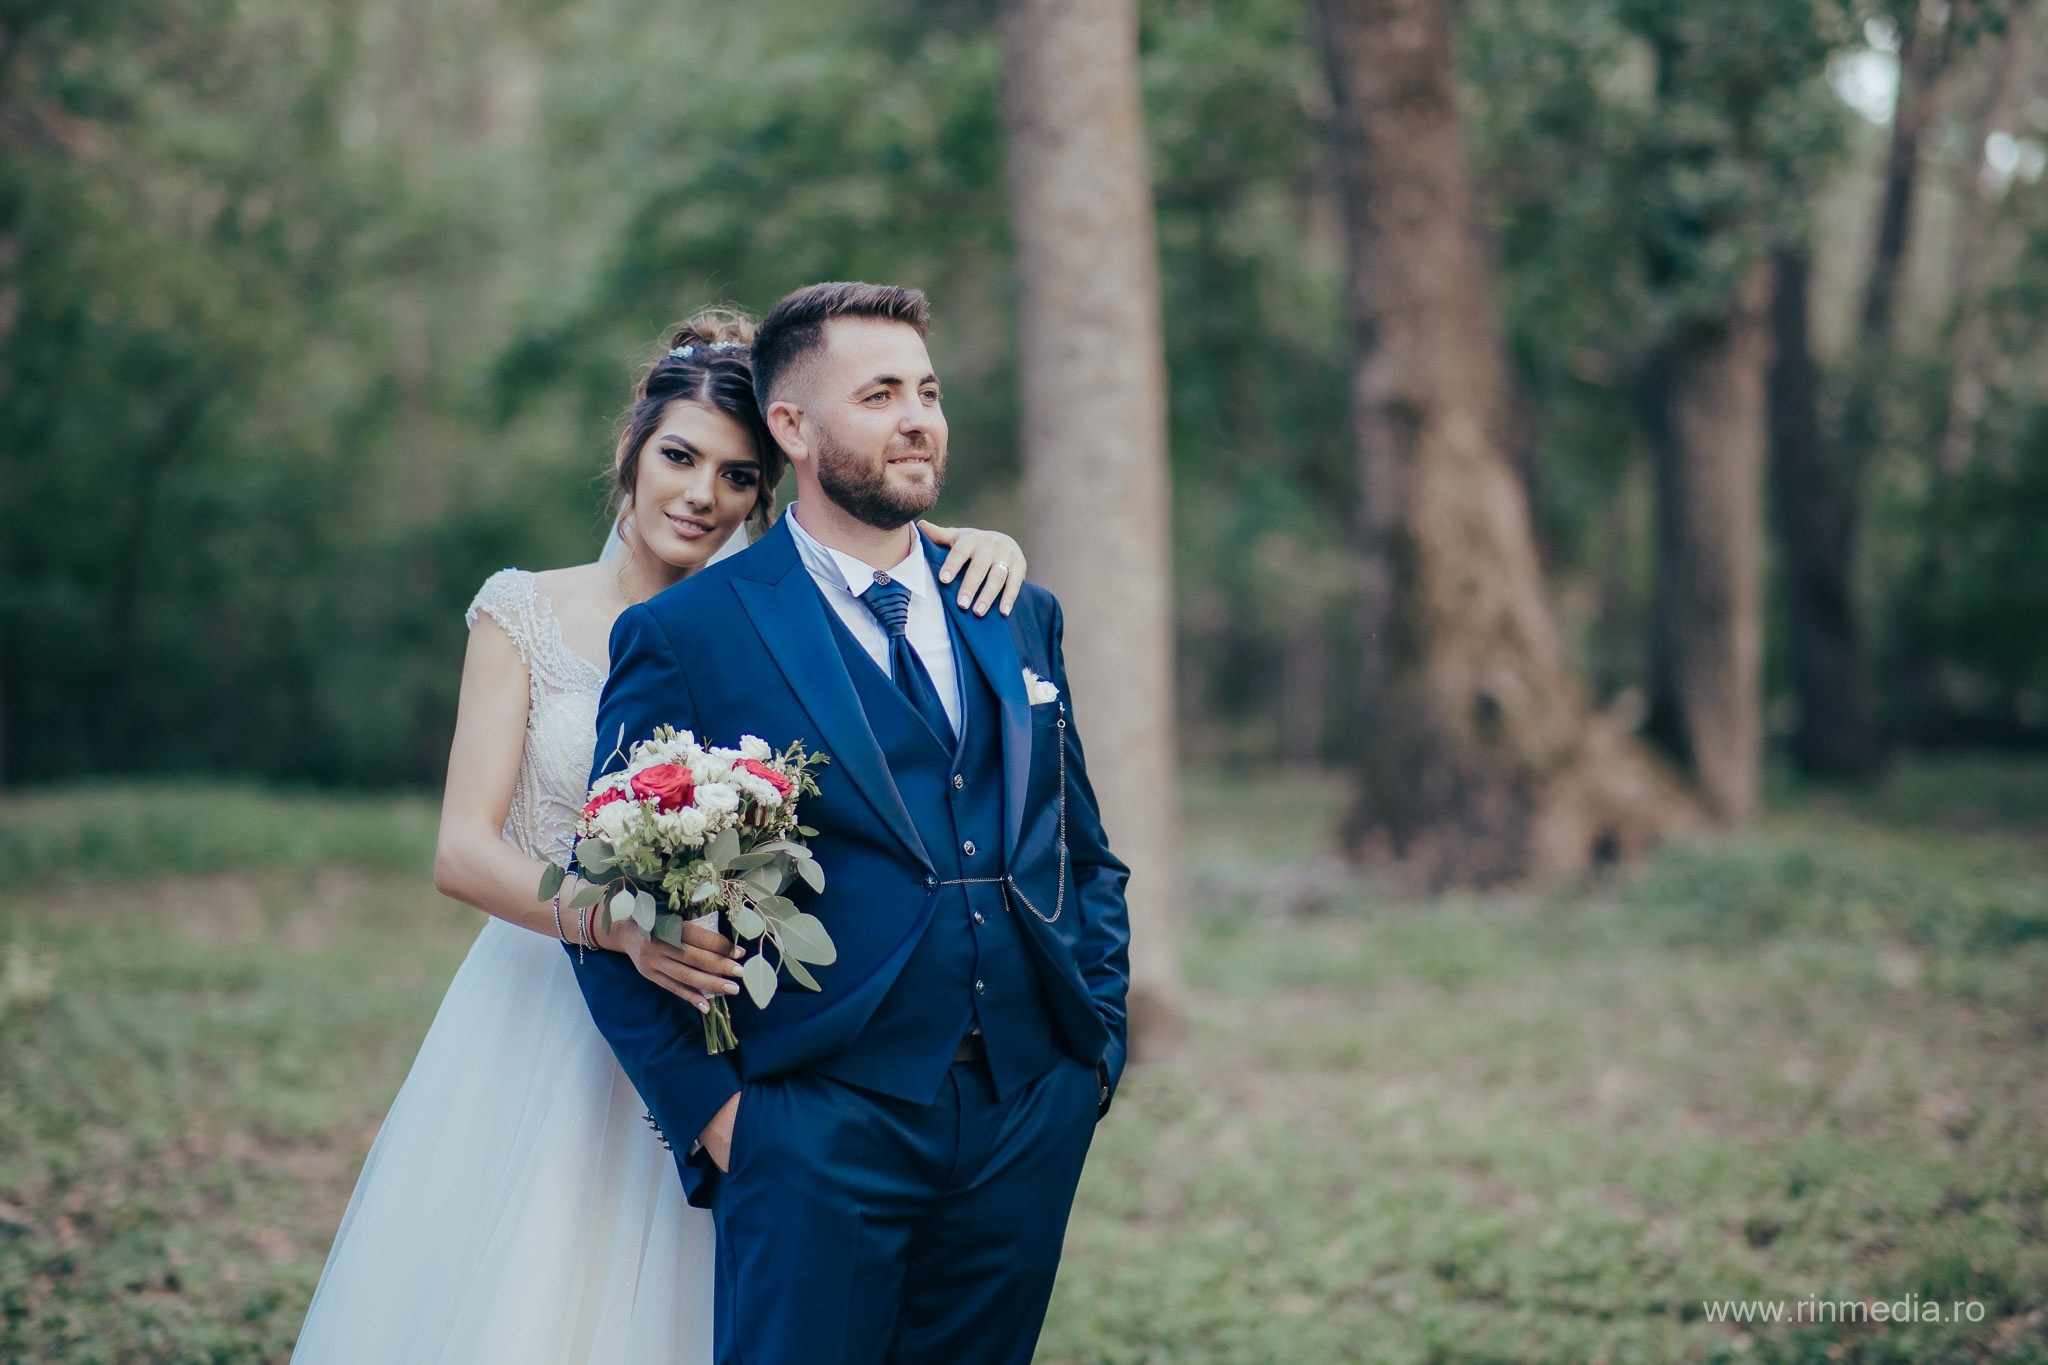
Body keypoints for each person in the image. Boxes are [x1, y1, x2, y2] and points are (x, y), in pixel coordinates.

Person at [290, 308, 1028, 1365]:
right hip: (548, 1006)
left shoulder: (768, 631)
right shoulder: (524, 614)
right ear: (632, 451)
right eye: (679, 457)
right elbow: (462, 849)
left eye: (736, 477)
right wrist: (617, 928)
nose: (701, 495)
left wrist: (979, 543)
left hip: (728, 1017)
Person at [571, 282, 1130, 1365]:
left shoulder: (1016, 609)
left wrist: (1092, 1055)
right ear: (791, 425)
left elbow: (1080, 849)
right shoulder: (689, 632)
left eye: (927, 391)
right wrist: (722, 1120)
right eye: (878, 396)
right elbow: (605, 893)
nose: (917, 418)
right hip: (811, 1127)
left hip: (1026, 1110)